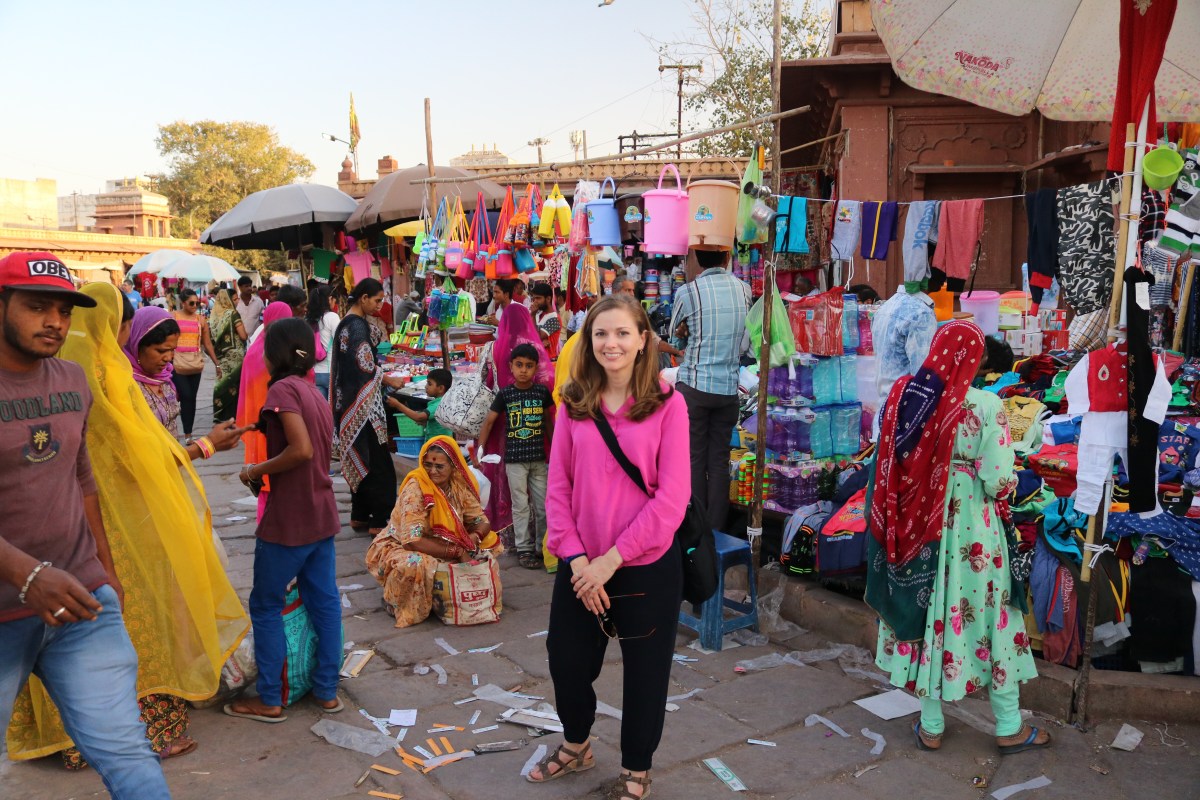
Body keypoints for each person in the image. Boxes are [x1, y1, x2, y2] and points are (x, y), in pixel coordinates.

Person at [9, 282, 249, 768]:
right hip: (115, 530)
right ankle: (135, 736)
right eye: (123, 323)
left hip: (53, 531)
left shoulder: (59, 376)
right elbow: (143, 461)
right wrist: (206, 447)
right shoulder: (101, 377)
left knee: (61, 635)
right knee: (136, 632)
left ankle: (68, 735)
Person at [0, 251, 172, 799]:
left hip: (81, 600)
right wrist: (28, 575)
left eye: (63, 310)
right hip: (4, 609)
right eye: (35, 307)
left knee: (125, 748)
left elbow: (82, 479)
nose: (54, 321)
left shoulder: (74, 380)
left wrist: (105, 569)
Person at [866, 320, 1049, 755]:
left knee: (930, 619)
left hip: (918, 529)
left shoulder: (907, 399)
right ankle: (1008, 724)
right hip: (973, 533)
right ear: (978, 360)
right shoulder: (986, 406)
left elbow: (885, 455)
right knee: (992, 618)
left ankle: (930, 725)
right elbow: (998, 477)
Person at [535, 295, 690, 799]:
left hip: (643, 565)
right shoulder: (574, 401)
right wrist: (579, 560)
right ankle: (577, 743)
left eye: (623, 333)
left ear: (643, 339)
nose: (611, 343)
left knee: (645, 674)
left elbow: (672, 500)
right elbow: (558, 489)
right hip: (581, 564)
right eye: (601, 333)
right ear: (589, 341)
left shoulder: (669, 404)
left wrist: (610, 561)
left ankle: (636, 770)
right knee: (566, 659)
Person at [226, 318, 343, 723]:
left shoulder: (281, 389)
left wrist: (255, 471)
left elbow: (302, 450)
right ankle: (327, 690)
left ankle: (271, 698)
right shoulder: (312, 390)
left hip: (290, 518)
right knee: (325, 602)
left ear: (272, 354)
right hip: (320, 513)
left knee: (265, 604)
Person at [366, 436, 499, 628]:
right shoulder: (416, 488)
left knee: (490, 545)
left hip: (446, 542)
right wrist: (457, 551)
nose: (432, 471)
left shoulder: (458, 484)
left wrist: (473, 538)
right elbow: (412, 541)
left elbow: (480, 520)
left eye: (439, 467)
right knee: (417, 564)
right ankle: (396, 600)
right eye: (427, 465)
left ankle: (446, 595)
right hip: (402, 545)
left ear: (453, 466)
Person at [670, 248, 751, 532]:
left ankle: (696, 528)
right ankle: (715, 530)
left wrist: (684, 337)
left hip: (694, 386)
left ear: (695, 260)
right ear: (727, 257)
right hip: (728, 390)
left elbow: (675, 341)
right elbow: (745, 342)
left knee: (693, 458)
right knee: (719, 460)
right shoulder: (744, 289)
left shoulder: (688, 292)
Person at [477, 303, 555, 554]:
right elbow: (550, 381)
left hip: (508, 433)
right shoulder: (534, 348)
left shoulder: (494, 348)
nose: (523, 369)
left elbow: (484, 384)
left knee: (515, 493)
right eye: (518, 365)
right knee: (527, 498)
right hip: (521, 441)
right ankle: (527, 546)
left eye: (527, 366)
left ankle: (524, 542)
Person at [332, 279, 408, 534]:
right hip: (362, 406)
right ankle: (379, 519)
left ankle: (360, 514)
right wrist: (389, 379)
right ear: (363, 298)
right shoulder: (356, 326)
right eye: (376, 300)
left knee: (360, 455)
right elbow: (365, 364)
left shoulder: (345, 322)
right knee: (378, 463)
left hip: (348, 402)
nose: (379, 305)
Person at [237, 302, 294, 521]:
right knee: (269, 479)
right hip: (272, 426)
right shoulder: (277, 354)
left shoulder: (256, 350)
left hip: (263, 425)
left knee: (268, 480)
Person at [125, 307, 184, 436]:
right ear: (137, 345)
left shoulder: (165, 378)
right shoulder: (125, 385)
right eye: (161, 351)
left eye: (172, 350)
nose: (168, 358)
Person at [172, 288, 220, 440]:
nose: (194, 306)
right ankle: (182, 429)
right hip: (178, 363)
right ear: (183, 303)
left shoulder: (200, 320)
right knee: (185, 396)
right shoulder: (173, 317)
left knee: (191, 398)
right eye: (191, 303)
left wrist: (216, 364)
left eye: (197, 303)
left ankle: (188, 434)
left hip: (195, 364)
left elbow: (207, 343)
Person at [617, 278, 683, 362]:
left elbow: (654, 341)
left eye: (633, 291)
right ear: (615, 292)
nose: (632, 294)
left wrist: (676, 352)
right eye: (628, 290)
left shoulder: (635, 315)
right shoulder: (605, 314)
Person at [210, 288, 247, 423]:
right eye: (235, 299)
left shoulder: (214, 317)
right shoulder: (233, 314)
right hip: (235, 355)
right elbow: (243, 335)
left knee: (222, 382)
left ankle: (220, 414)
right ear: (229, 300)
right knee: (234, 384)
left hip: (220, 356)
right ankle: (232, 416)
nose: (237, 301)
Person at [388, 368, 453, 446]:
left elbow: (418, 417)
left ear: (441, 388)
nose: (426, 387)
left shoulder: (438, 404)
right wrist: (426, 423)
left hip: (438, 446)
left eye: (429, 384)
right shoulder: (444, 401)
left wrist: (397, 405)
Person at [307, 285, 339, 399]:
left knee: (321, 411)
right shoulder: (332, 317)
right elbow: (340, 342)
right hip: (330, 371)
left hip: (314, 372)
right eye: (334, 299)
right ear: (330, 299)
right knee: (332, 411)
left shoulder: (309, 319)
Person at [530, 283, 562, 357]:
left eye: (538, 298)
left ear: (548, 299)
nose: (535, 302)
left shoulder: (554, 318)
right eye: (534, 299)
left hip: (549, 361)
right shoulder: (539, 314)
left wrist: (532, 315)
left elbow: (536, 337)